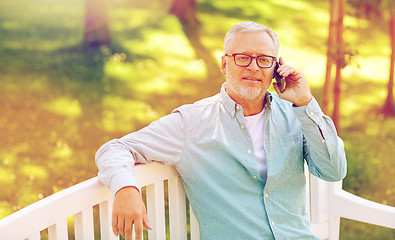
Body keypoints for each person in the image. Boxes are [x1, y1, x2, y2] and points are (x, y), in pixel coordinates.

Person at [95, 21, 347, 240]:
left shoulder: (295, 113)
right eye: (242, 57)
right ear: (224, 63)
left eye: (264, 59)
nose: (253, 67)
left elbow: (333, 170)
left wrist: (304, 103)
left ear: (276, 67)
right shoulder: (191, 122)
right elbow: (116, 148)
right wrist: (126, 188)